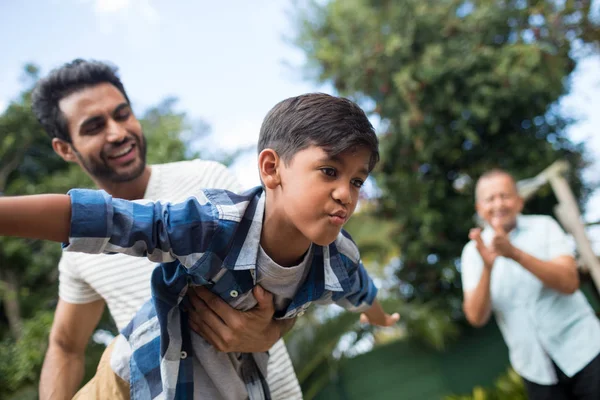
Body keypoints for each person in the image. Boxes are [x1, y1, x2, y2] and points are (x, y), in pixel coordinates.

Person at [3, 92, 399, 399]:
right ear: (271, 168)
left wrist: (379, 318)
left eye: (357, 181)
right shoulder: (212, 224)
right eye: (329, 171)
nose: (345, 193)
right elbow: (108, 220)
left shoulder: (338, 259)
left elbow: (361, 290)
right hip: (130, 379)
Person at [30, 59, 302, 400]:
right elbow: (66, 345)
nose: (118, 132)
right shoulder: (80, 249)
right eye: (94, 127)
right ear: (65, 149)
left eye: (122, 114)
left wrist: (271, 332)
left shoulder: (207, 181)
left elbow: (293, 277)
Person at [461, 168, 600, 400]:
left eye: (504, 196)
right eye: (490, 199)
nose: (498, 204)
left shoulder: (544, 227)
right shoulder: (471, 253)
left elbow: (569, 282)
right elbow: (476, 317)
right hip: (534, 370)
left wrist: (514, 253)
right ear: (479, 209)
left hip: (585, 351)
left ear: (519, 201)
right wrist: (487, 267)